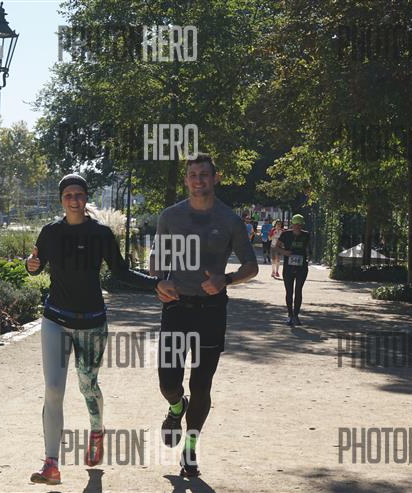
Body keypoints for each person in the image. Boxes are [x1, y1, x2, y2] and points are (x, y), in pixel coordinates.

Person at [27, 174, 175, 485]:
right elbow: (36, 266)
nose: (74, 200)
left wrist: (155, 284)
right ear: (61, 200)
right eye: (68, 195)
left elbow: (121, 272)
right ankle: (51, 463)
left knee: (87, 384)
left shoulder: (101, 234)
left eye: (79, 194)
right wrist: (32, 265)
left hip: (92, 323)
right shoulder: (51, 233)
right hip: (55, 319)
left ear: (86, 198)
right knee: (53, 389)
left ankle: (97, 430)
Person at [150, 154, 259, 477]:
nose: (198, 180)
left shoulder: (229, 220)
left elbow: (251, 266)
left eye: (204, 175)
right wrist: (159, 281)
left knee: (201, 385)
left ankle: (190, 448)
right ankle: (176, 406)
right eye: (193, 175)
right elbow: (157, 260)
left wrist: (226, 279)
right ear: (186, 180)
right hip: (176, 307)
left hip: (212, 310)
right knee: (168, 381)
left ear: (215, 178)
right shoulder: (170, 216)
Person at [277, 214, 312, 325]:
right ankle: (290, 315)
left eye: (300, 225)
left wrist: (309, 255)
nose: (298, 227)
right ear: (292, 224)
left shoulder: (306, 235)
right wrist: (284, 252)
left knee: (298, 290)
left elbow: (309, 248)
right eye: (296, 224)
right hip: (288, 267)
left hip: (302, 267)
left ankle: (296, 315)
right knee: (289, 291)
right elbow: (276, 247)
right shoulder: (285, 234)